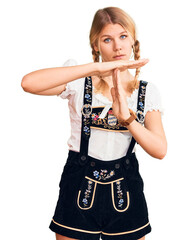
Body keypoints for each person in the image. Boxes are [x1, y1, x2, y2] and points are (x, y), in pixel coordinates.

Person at [21, 6, 167, 240]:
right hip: (78, 182)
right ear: (96, 45)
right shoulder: (79, 82)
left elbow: (160, 150)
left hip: (126, 189)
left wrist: (128, 119)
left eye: (123, 36)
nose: (117, 46)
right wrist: (97, 67)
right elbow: (29, 83)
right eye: (107, 39)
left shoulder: (146, 93)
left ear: (133, 41)